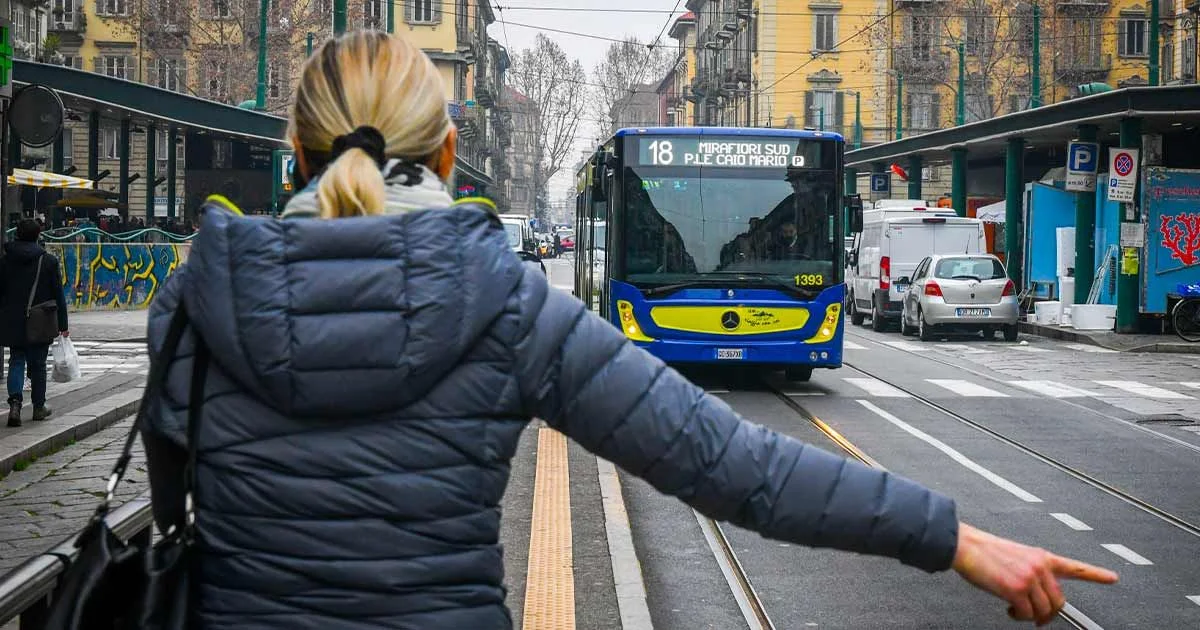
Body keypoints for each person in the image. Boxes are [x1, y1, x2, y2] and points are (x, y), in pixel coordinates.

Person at [139, 30, 1116, 629]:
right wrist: (953, 539)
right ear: (446, 153)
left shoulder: (195, 296)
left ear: (294, 151)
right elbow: (735, 466)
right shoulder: (507, 306)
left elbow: (179, 498)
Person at [0, 219, 68, 427]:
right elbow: (58, 294)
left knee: (16, 360)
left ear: (17, 234)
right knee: (38, 364)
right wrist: (63, 324)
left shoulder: (5, 260)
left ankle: (15, 405)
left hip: (13, 319)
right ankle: (39, 407)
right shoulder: (47, 261)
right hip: (40, 320)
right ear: (38, 235)